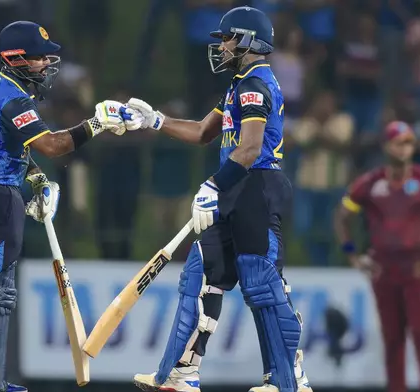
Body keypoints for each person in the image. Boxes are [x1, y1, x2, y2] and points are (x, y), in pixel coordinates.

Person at [0, 21, 141, 392]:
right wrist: (96, 125)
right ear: (16, 59)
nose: (47, 64)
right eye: (39, 58)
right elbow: (52, 145)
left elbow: (4, 141)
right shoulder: (16, 98)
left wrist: (32, 176)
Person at [127, 6, 312, 392]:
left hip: (255, 189)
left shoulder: (256, 84)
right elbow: (201, 132)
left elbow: (249, 149)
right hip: (235, 188)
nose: (222, 46)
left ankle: (287, 379)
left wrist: (212, 185)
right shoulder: (239, 83)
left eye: (227, 39)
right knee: (200, 276)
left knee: (262, 284)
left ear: (247, 40)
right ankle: (180, 374)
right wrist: (155, 120)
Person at [333, 121, 420, 392]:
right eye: (398, 142)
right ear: (387, 145)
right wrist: (353, 254)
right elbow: (342, 215)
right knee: (393, 340)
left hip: (416, 271)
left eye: (408, 142)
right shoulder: (371, 183)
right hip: (383, 271)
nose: (403, 148)